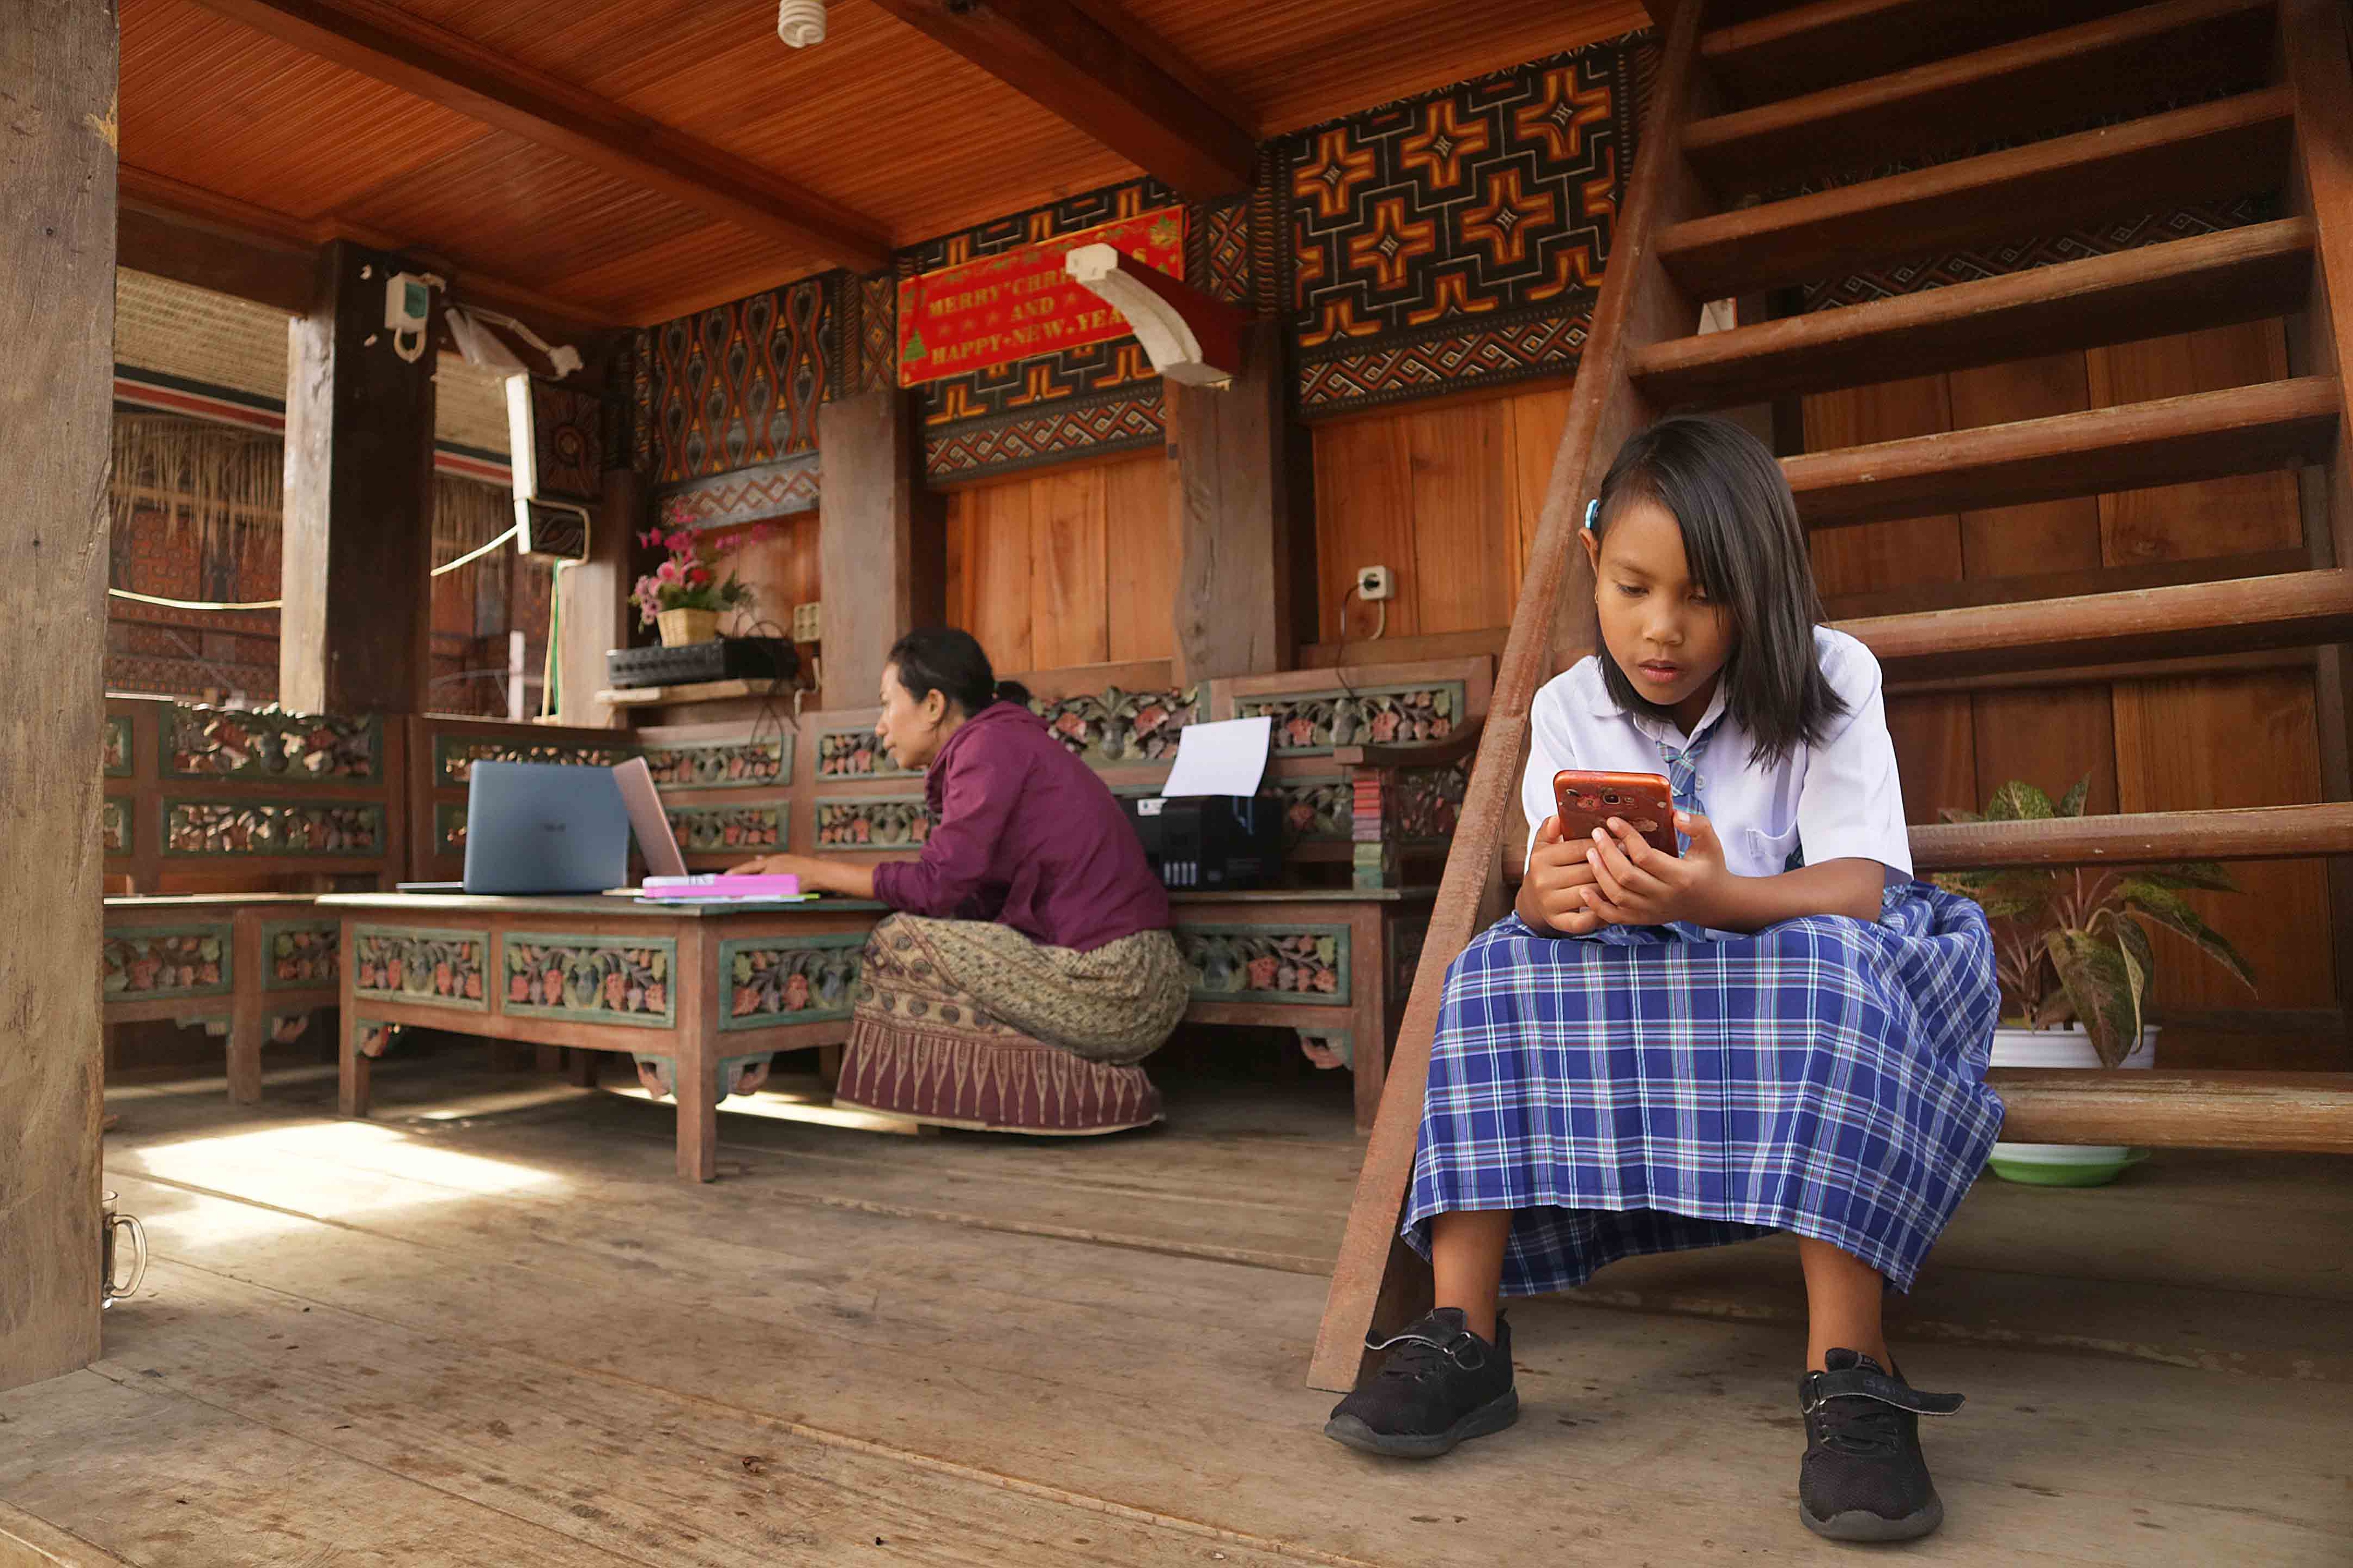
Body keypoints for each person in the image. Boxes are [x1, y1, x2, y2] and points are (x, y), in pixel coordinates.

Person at [1323, 416, 2002, 1544]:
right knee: (1491, 967)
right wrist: (1546, 897)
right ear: (1591, 562)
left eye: (1700, 596)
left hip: (1799, 943)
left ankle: (1849, 1368)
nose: (1660, 628)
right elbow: (1550, 884)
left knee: (1829, 977)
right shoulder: (1563, 707)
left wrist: (1713, 895)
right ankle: (1462, 1333)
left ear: (1758, 590)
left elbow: (1863, 883)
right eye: (1632, 587)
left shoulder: (1830, 674)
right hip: (1649, 962)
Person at [730, 627, 1188, 1134]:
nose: (881, 727)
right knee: (911, 937)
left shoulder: (988, 746)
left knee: (901, 941)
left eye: (887, 705)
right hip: (1112, 976)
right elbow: (959, 896)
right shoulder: (996, 742)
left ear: (932, 705)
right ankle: (1073, 1086)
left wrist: (809, 869)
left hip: (1121, 984)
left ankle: (1095, 1090)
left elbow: (937, 885)